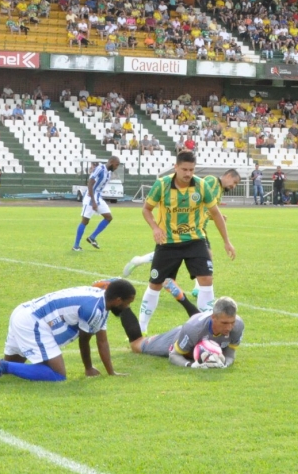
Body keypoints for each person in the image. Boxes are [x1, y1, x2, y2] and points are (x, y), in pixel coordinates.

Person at [0, 280, 136, 383]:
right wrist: (88, 368)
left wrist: (111, 372)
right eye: (128, 302)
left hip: (23, 312)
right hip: (34, 323)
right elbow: (86, 341)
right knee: (57, 375)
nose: (128, 307)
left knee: (16, 367)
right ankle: (1, 366)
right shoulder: (94, 309)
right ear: (118, 300)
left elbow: (103, 341)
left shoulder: (101, 301)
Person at [135, 152, 236, 334]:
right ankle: (141, 329)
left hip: (195, 240)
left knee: (206, 279)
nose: (188, 173)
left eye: (191, 169)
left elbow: (215, 214)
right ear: (176, 167)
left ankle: (206, 327)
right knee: (155, 284)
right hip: (168, 242)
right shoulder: (162, 184)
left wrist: (227, 241)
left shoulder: (201, 185)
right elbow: (146, 209)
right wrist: (155, 228)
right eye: (184, 169)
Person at [132, 297, 243, 369]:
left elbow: (230, 353)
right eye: (224, 323)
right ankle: (123, 308)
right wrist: (191, 365)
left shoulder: (238, 325)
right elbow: (174, 355)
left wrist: (225, 364)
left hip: (191, 341)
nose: (229, 327)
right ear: (213, 317)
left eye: (231, 322)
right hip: (176, 337)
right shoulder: (194, 329)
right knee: (137, 346)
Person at [73, 157, 120, 251]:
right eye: (116, 164)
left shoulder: (109, 172)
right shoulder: (100, 168)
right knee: (85, 221)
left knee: (109, 217)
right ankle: (76, 246)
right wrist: (93, 201)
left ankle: (92, 237)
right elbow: (90, 183)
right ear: (111, 162)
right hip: (90, 197)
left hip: (98, 197)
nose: (116, 167)